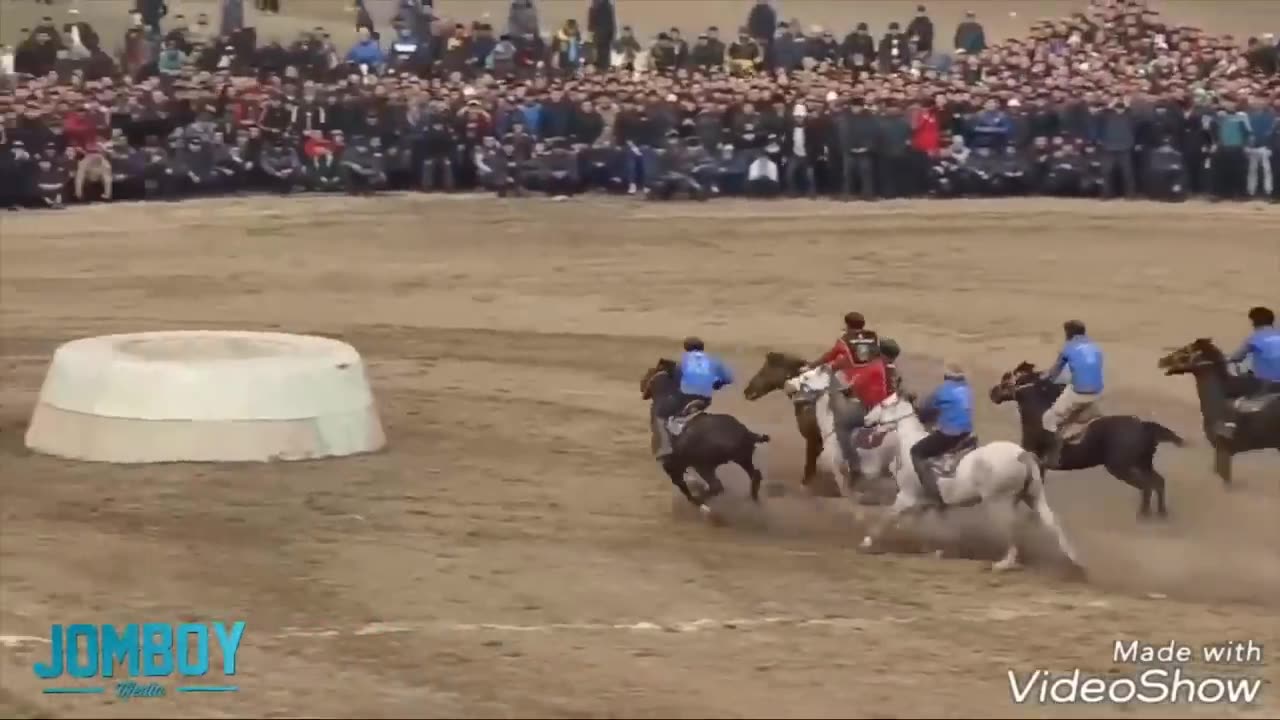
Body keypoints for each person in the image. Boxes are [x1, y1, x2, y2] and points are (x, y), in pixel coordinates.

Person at [812, 312, 890, 480]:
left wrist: (813, 366)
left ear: (847, 325)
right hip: (884, 397)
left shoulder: (844, 341)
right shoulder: (874, 338)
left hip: (866, 400)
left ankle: (854, 466)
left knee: (841, 426)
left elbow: (831, 356)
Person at [653, 337, 734, 461]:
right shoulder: (713, 360)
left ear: (686, 348)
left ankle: (666, 447)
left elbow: (675, 378)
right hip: (705, 399)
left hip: (685, 397)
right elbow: (728, 378)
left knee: (660, 415)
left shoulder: (682, 361)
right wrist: (717, 383)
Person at [1041, 319, 1104, 467]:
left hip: (1079, 392)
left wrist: (1044, 378)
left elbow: (1054, 372)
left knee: (1049, 418)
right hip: (1097, 391)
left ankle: (1054, 457)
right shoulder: (1095, 347)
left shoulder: (1067, 348)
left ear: (1069, 333)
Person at [910, 361, 973, 508]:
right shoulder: (967, 389)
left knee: (916, 452)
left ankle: (932, 497)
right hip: (967, 432)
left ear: (946, 376)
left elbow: (925, 412)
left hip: (950, 434)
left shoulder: (942, 391)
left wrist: (917, 409)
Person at [1221, 306, 1280, 438]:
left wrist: (1224, 358)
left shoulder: (1254, 338)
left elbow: (1237, 357)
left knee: (1227, 390)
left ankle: (1230, 426)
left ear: (1254, 322)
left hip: (1266, 383)